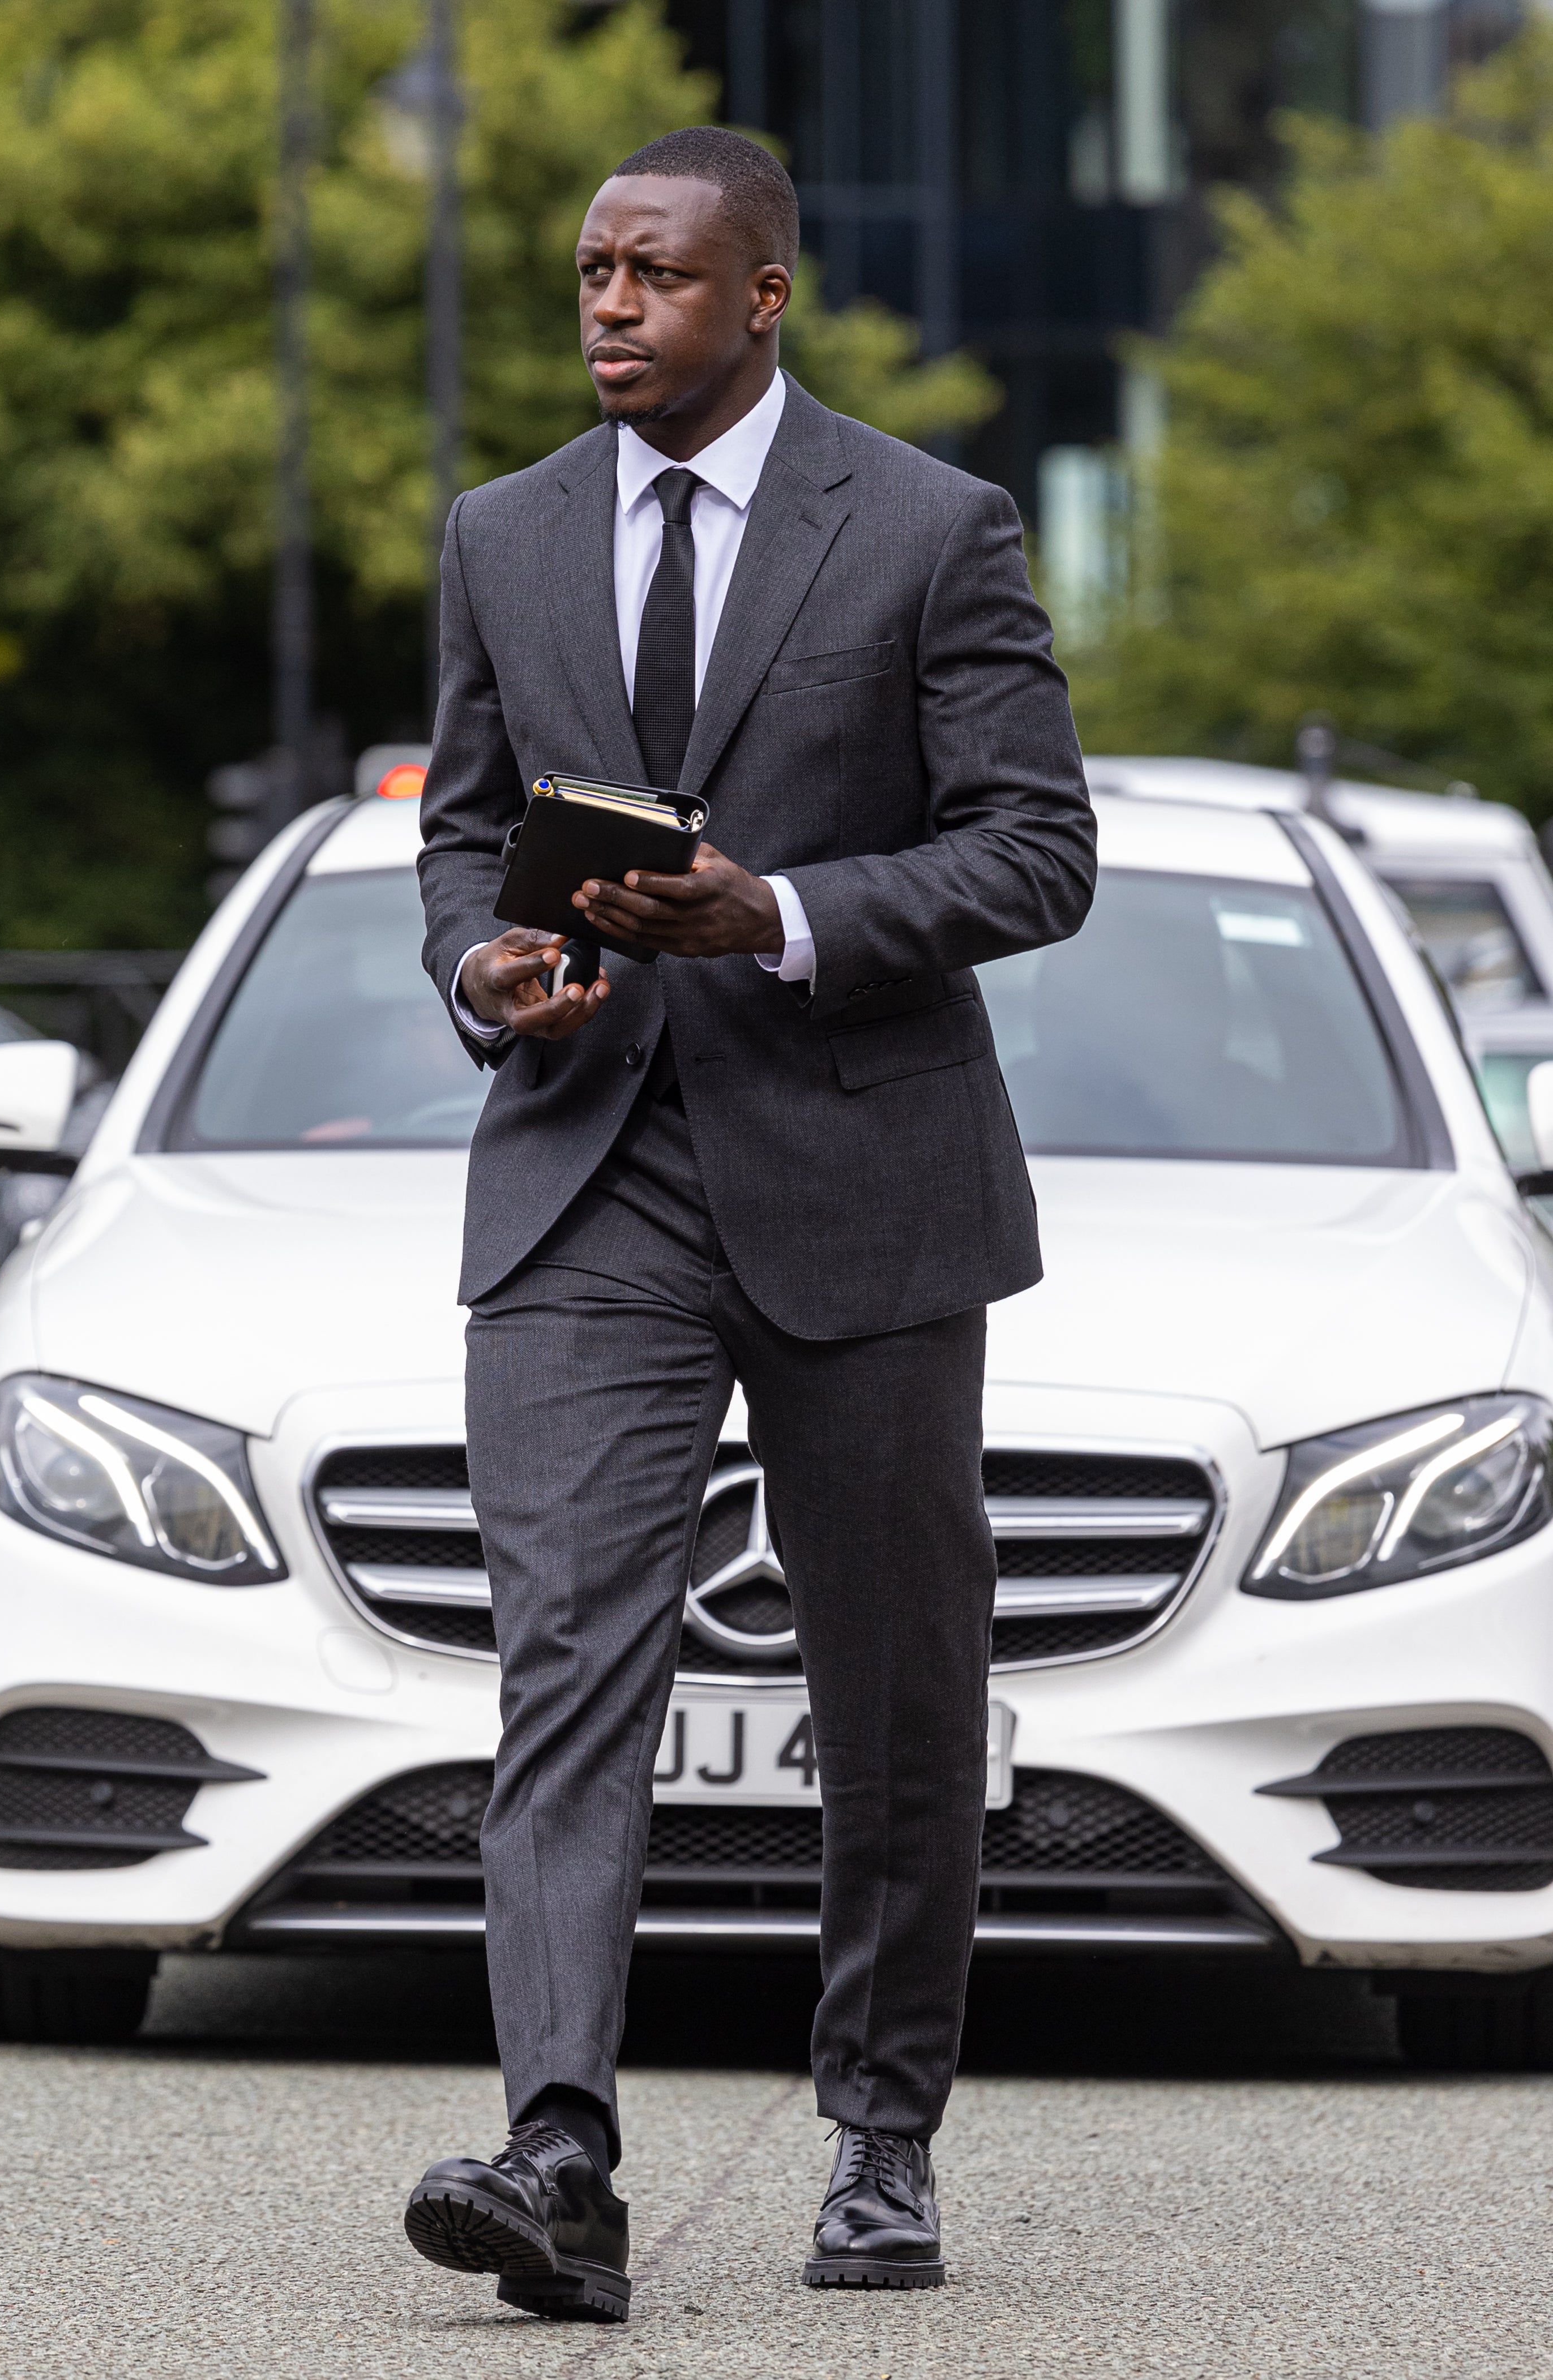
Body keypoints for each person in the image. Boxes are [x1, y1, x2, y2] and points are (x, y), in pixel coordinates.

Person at [406, 125, 1095, 2321]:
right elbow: (471, 834)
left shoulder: (929, 527)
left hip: (864, 1170)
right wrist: (485, 966)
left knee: (897, 1690)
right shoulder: (500, 535)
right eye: (589, 269)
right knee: (566, 1661)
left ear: (763, 291)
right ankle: (559, 2152)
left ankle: (882, 2134)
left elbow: (1036, 850)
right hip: (587, 1161)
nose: (608, 302)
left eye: (653, 272)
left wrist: (778, 912)